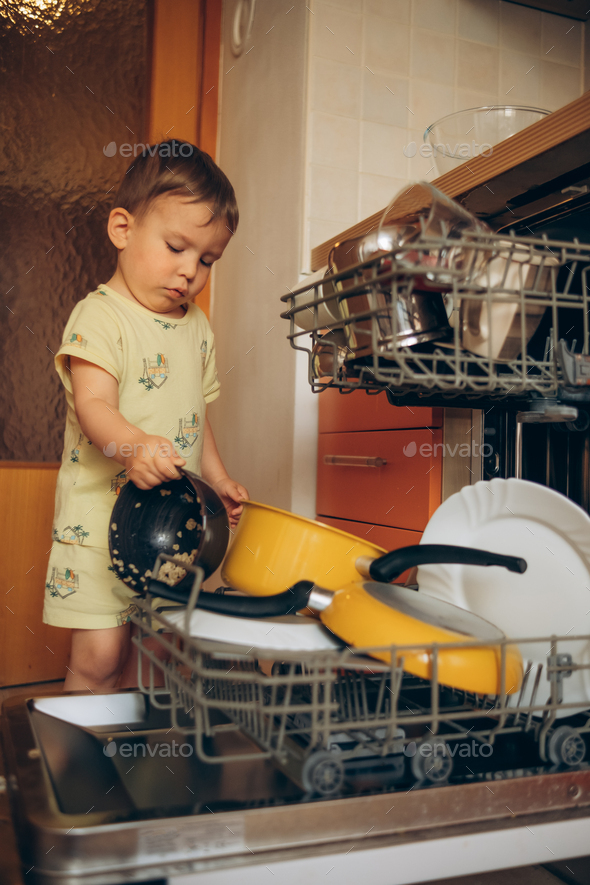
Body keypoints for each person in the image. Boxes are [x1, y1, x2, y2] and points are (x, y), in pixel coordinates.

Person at [43, 140, 249, 692]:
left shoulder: (197, 325)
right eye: (177, 247)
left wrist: (219, 477)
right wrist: (132, 447)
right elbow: (93, 407)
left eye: (207, 260)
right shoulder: (99, 317)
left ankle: (131, 760)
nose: (190, 272)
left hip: (169, 529)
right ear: (123, 229)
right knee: (100, 660)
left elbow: (195, 416)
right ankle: (79, 766)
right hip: (97, 527)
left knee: (155, 654)